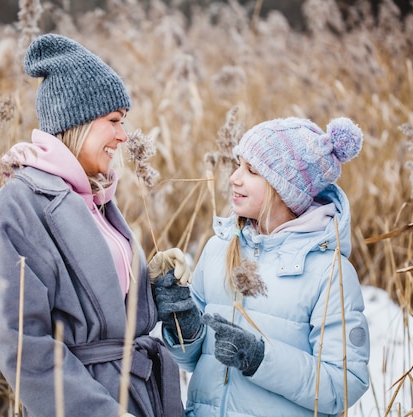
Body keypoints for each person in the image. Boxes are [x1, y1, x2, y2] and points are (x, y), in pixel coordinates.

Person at [0, 34, 184, 417]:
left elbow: (109, 310)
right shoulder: (19, 204)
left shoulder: (93, 198)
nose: (124, 136)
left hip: (139, 396)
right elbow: (20, 342)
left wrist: (151, 285)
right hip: (85, 404)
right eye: (114, 121)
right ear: (77, 122)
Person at [152, 117, 371, 416]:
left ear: (285, 188)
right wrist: (185, 328)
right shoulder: (219, 249)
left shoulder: (329, 273)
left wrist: (260, 358)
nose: (234, 178)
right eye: (238, 165)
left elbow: (343, 385)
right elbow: (191, 360)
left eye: (252, 171)